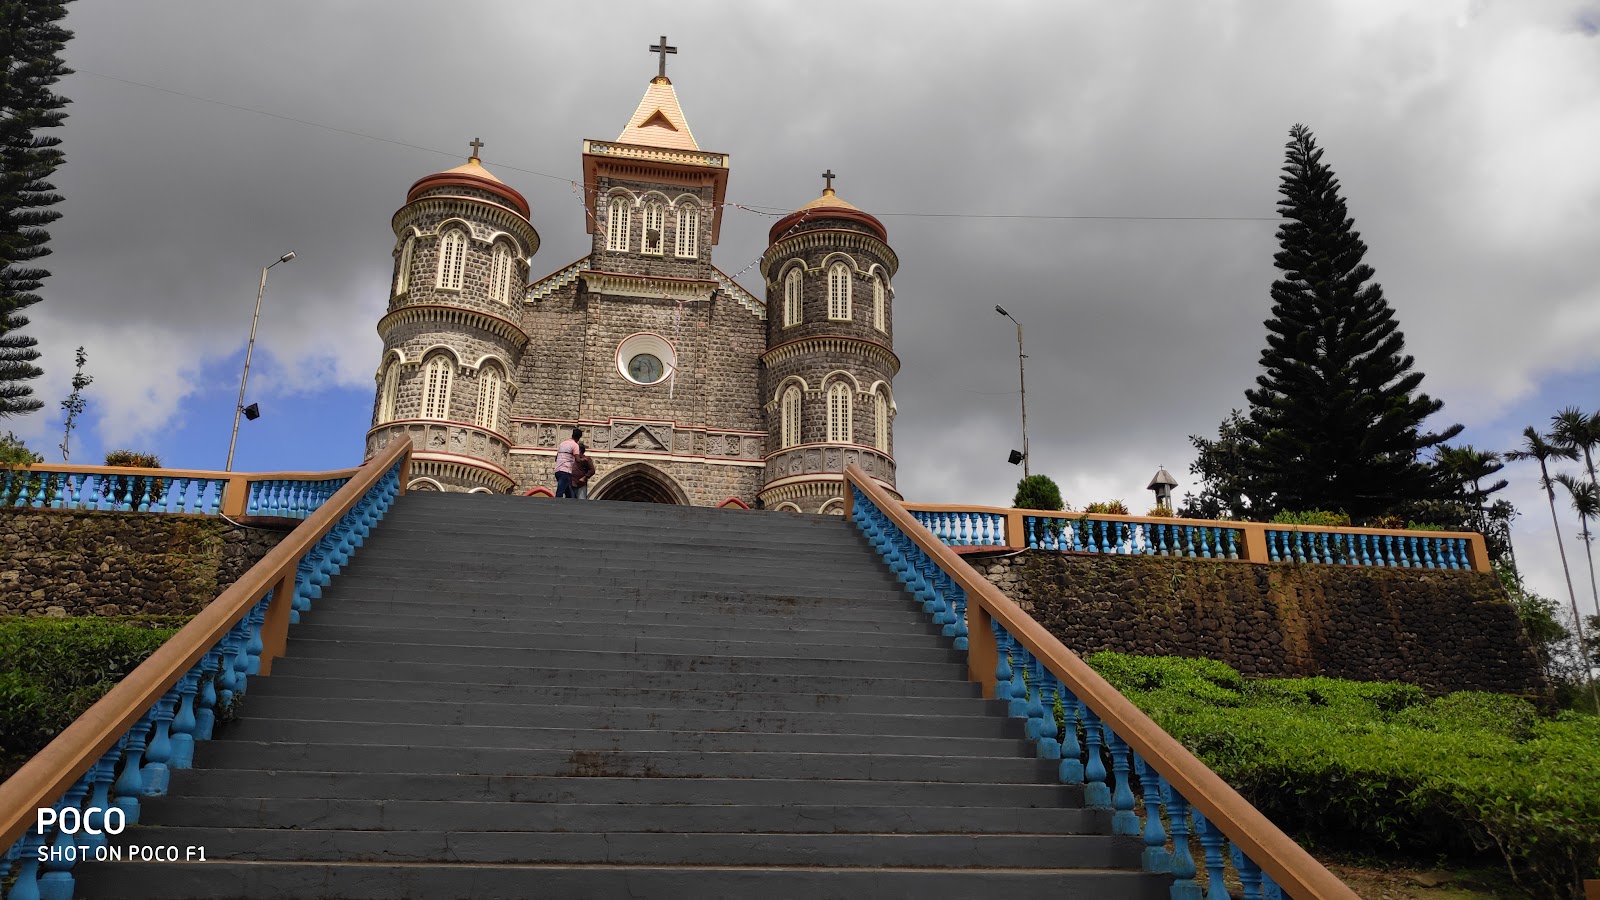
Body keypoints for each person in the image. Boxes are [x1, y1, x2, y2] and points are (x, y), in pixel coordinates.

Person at [554, 427, 583, 498]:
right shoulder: (575, 445)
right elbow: (578, 459)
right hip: (566, 471)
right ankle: (556, 505)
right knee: (560, 491)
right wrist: (584, 460)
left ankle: (570, 504)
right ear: (579, 437)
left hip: (558, 470)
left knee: (568, 492)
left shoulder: (562, 443)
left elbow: (556, 458)